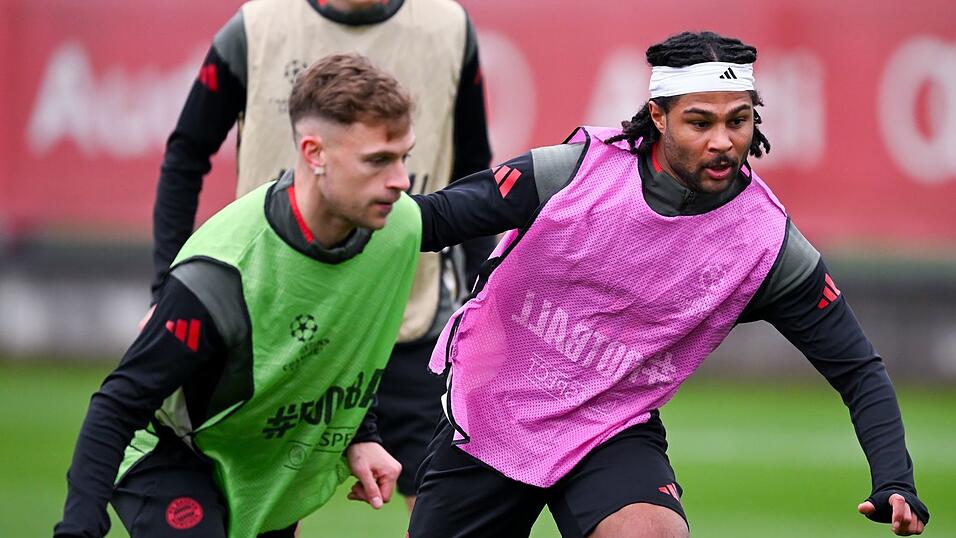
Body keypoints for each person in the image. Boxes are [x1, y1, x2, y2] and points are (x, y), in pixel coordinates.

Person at [396, 31, 930, 537]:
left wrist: (894, 478)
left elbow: (858, 367)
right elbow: (431, 220)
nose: (723, 141)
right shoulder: (571, 173)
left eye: (738, 121)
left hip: (611, 423)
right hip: (494, 408)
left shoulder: (765, 243)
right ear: (659, 116)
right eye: (700, 123)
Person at [55, 54, 421, 538]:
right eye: (378, 160)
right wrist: (79, 528)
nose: (401, 180)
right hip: (169, 451)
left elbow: (337, 349)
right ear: (314, 153)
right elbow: (118, 405)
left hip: (259, 459)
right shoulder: (221, 274)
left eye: (404, 158)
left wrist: (361, 434)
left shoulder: (396, 227)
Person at [150, 0, 493, 510]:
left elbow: (472, 170)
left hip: (407, 319)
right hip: (269, 326)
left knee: (447, 509)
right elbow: (186, 154)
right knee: (263, 506)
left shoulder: (448, 26)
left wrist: (479, 302)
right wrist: (167, 292)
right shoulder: (257, 27)